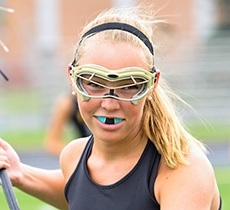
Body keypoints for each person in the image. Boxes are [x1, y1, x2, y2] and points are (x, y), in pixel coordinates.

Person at [0, 4, 222, 210]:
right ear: (72, 79)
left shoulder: (184, 169)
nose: (109, 104)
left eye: (128, 86)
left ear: (152, 85)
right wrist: (21, 174)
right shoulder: (75, 157)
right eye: (94, 84)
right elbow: (79, 192)